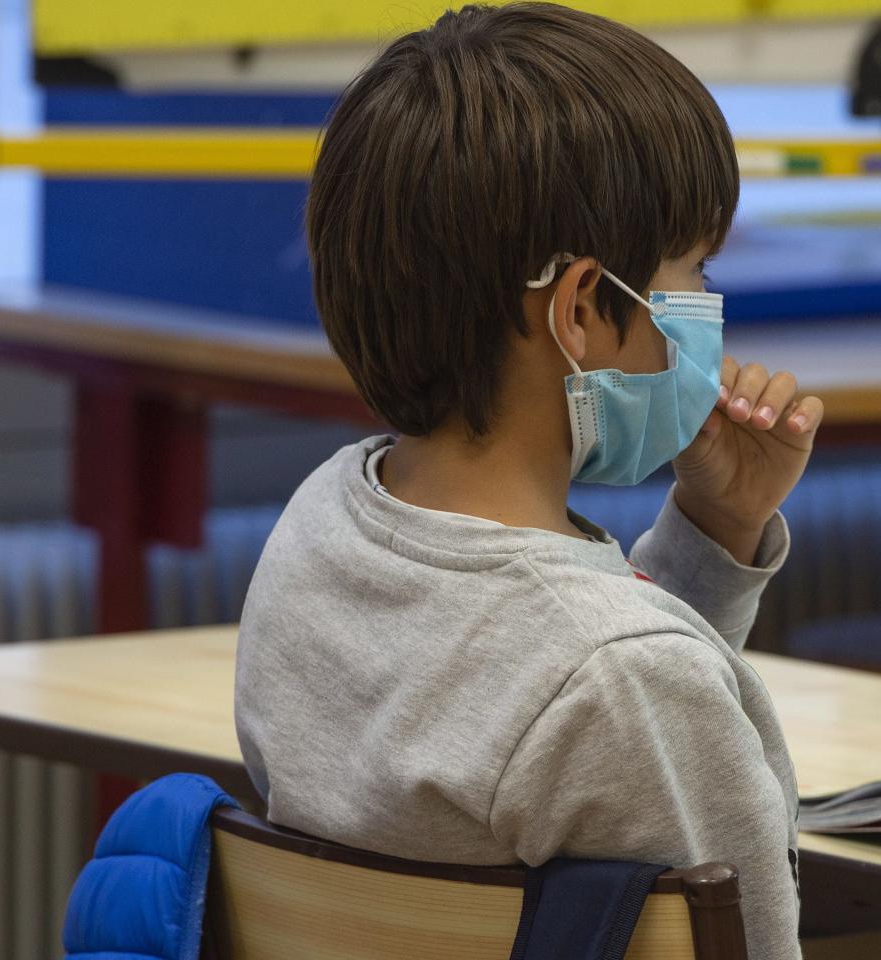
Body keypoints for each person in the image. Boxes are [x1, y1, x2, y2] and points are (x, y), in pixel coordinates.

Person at [234, 5, 822, 957]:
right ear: (584, 309)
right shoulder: (620, 675)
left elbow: (560, 691)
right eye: (693, 268)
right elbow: (604, 690)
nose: (707, 306)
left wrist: (717, 527)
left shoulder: (321, 529)